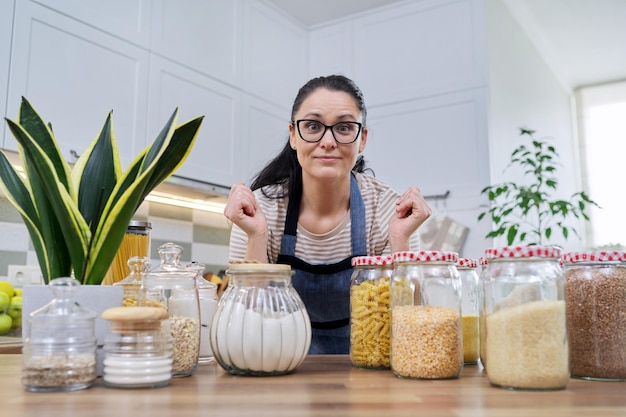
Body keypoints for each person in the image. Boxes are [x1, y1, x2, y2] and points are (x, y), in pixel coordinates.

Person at [224, 74, 432, 354]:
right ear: (293, 135)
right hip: (280, 366)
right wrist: (257, 236)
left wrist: (399, 242)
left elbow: (408, 322)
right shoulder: (259, 210)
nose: (328, 141)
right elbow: (247, 322)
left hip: (368, 370)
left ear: (362, 139)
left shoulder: (389, 211)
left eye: (344, 128)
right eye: (313, 126)